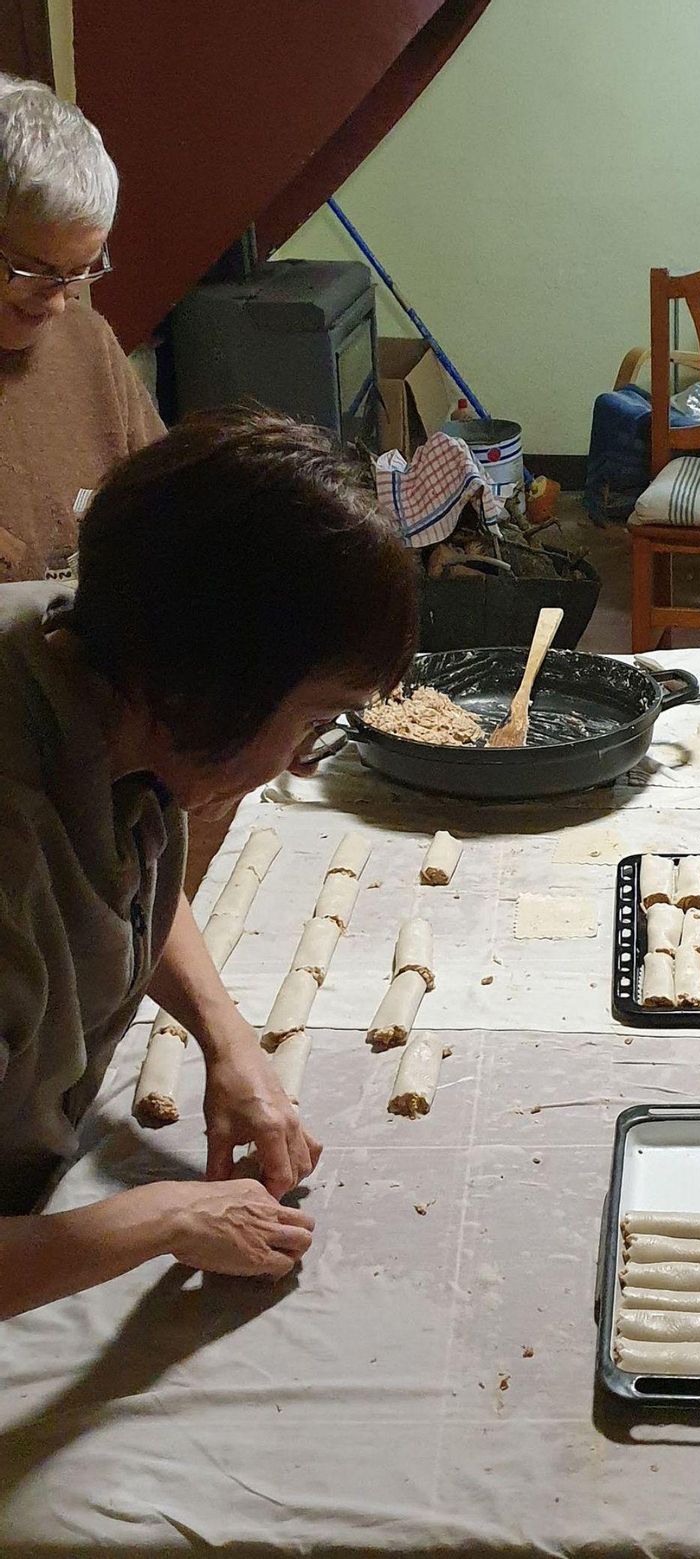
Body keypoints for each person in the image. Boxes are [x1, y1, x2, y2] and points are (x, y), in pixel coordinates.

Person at [0, 407, 417, 1320]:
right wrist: (164, 1214)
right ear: (205, 689)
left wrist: (226, 1038)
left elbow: (128, 879)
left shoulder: (100, 658)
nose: (299, 760)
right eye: (311, 720)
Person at [0, 73, 163, 582]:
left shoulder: (88, 342)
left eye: (77, 273)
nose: (58, 304)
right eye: (36, 272)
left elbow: (174, 508)